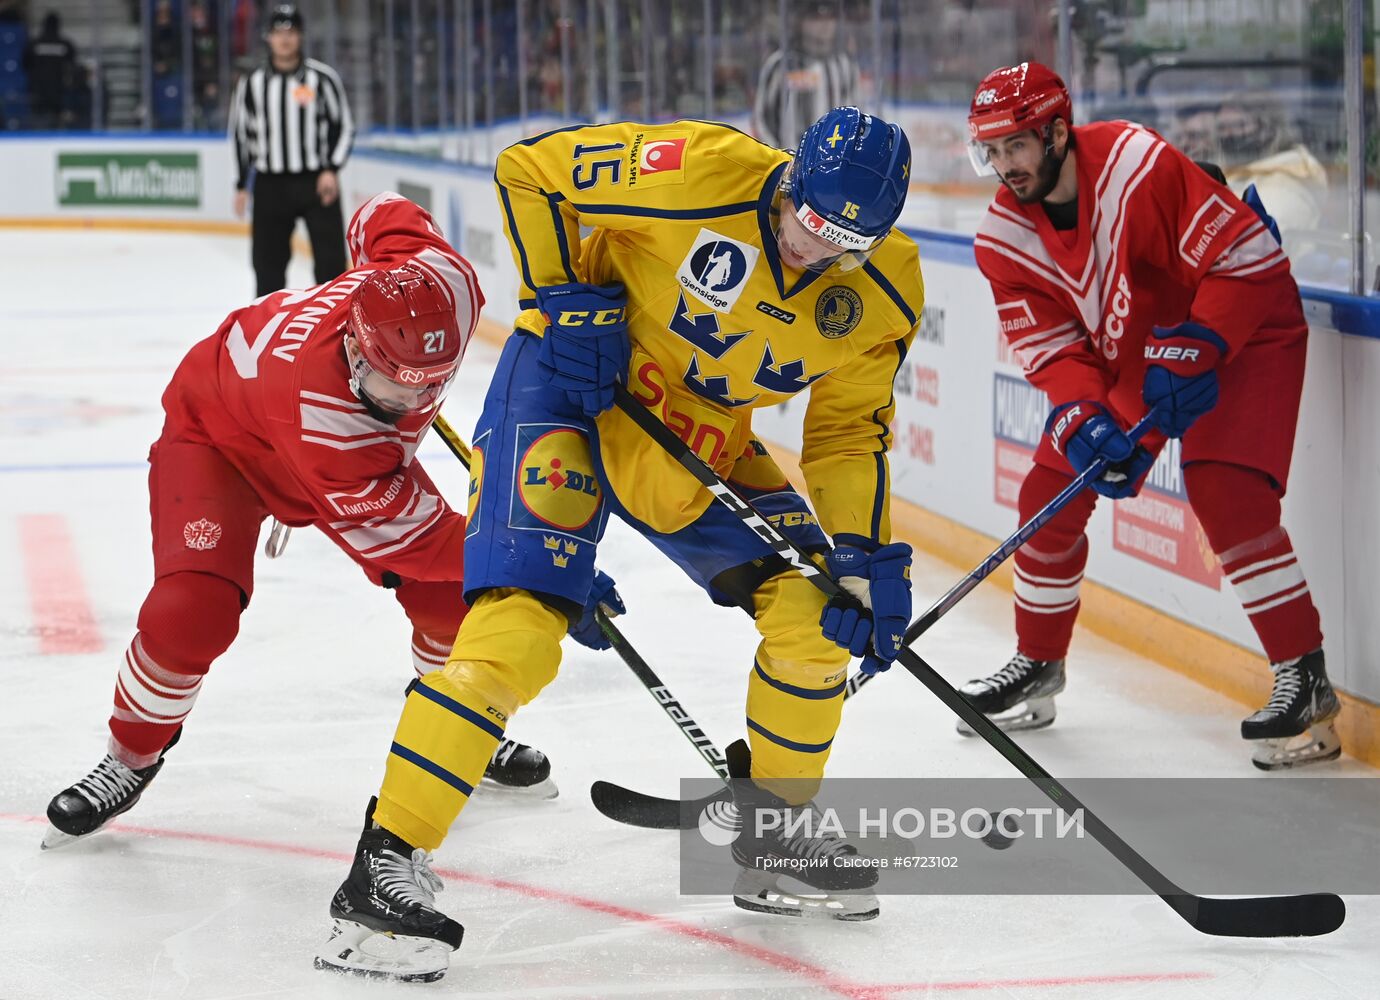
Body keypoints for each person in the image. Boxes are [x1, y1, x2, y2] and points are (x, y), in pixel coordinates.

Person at [312, 108, 924, 982]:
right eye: (807, 223)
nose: (811, 253)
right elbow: (529, 170)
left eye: (841, 244)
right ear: (788, 182)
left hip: (698, 439)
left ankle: (775, 836)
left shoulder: (886, 291)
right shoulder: (696, 169)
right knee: (519, 631)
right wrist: (563, 296)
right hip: (566, 392)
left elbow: (846, 434)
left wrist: (861, 554)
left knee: (819, 618)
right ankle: (379, 874)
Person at [43, 193, 594, 853]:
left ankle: (463, 717)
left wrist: (369, 278)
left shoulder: (448, 283)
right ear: (356, 352)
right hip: (220, 440)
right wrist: (547, 568)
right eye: (398, 389)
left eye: (431, 385)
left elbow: (380, 211)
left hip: (325, 443)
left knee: (451, 598)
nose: (415, 402)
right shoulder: (329, 421)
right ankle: (129, 755)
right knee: (192, 610)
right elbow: (422, 543)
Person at [959, 62, 1339, 771]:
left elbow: (1250, 254)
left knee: (1226, 491)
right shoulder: (1002, 241)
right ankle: (1038, 663)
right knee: (1051, 490)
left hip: (1247, 324)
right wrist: (1083, 417)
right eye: (992, 150)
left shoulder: (1137, 163)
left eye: (1017, 145)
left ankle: (1305, 680)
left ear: (1058, 132)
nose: (1005, 165)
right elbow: (1052, 350)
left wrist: (1205, 343)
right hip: (1147, 348)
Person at [228, 4, 354, 296]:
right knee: (267, 268)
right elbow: (241, 135)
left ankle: (336, 336)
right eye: (278, 32)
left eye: (291, 31)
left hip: (316, 182)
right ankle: (268, 336)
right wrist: (241, 184)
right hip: (270, 184)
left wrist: (331, 169)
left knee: (331, 268)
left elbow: (344, 127)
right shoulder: (252, 83)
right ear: (268, 37)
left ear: (301, 36)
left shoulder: (322, 79)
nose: (285, 38)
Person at [1174, 95, 1328, 242]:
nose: (1228, 135)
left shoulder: (1285, 183)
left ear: (1268, 129)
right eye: (1222, 128)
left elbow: (1259, 246)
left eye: (1238, 126)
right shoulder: (1236, 173)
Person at [753, 1, 860, 149]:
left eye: (830, 18)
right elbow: (762, 119)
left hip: (835, 163)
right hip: (788, 162)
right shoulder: (779, 65)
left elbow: (857, 114)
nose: (825, 25)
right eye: (816, 18)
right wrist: (780, 160)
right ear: (801, 21)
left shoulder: (844, 65)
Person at [23, 11, 77, 129]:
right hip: (58, 91)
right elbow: (72, 64)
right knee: (57, 125)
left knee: (39, 124)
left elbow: (25, 64)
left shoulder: (34, 44)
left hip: (38, 90)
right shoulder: (65, 44)